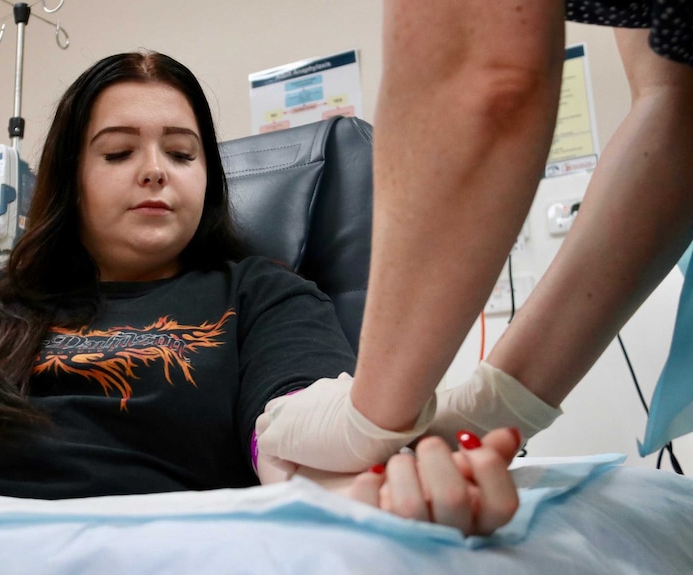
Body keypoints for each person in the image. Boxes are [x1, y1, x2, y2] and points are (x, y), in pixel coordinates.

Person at [0, 51, 521, 552]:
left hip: (128, 547)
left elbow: (289, 438)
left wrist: (387, 483)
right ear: (71, 178)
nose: (156, 169)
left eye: (182, 153)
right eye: (118, 152)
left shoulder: (258, 292)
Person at [257, 0, 693, 470]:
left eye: (182, 152)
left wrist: (368, 419)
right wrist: (495, 406)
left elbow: (487, 75)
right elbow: (677, 107)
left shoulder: (261, 291)